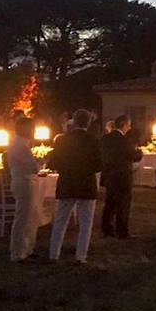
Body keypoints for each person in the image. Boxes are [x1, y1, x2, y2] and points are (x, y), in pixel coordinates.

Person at [46, 109, 103, 264]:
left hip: (67, 183)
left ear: (74, 121)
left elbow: (53, 163)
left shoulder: (62, 141)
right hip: (86, 184)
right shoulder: (93, 140)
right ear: (89, 123)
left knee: (60, 220)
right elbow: (99, 165)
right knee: (86, 223)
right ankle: (81, 256)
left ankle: (53, 254)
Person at [100, 115, 142, 239]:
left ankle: (107, 228)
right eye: (129, 124)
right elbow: (133, 155)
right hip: (123, 175)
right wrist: (139, 153)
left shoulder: (105, 138)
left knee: (110, 202)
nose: (130, 127)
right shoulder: (123, 140)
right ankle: (122, 230)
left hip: (110, 174)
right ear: (123, 125)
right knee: (123, 204)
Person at [6, 117, 41, 262]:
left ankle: (27, 249)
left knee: (30, 217)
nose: (33, 131)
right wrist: (40, 163)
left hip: (24, 181)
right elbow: (34, 167)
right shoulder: (20, 146)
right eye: (32, 128)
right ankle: (18, 253)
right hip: (24, 182)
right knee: (23, 218)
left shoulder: (19, 145)